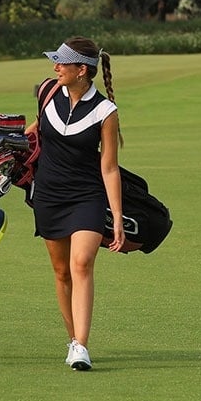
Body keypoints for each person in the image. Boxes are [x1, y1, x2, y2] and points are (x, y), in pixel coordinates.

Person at [25, 37, 124, 371]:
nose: (55, 68)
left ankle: (81, 345)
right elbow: (38, 129)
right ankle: (73, 340)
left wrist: (119, 217)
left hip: (86, 196)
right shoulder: (47, 92)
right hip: (49, 196)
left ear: (82, 70)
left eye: (61, 63)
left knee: (81, 263)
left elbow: (109, 167)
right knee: (61, 272)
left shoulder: (105, 112)